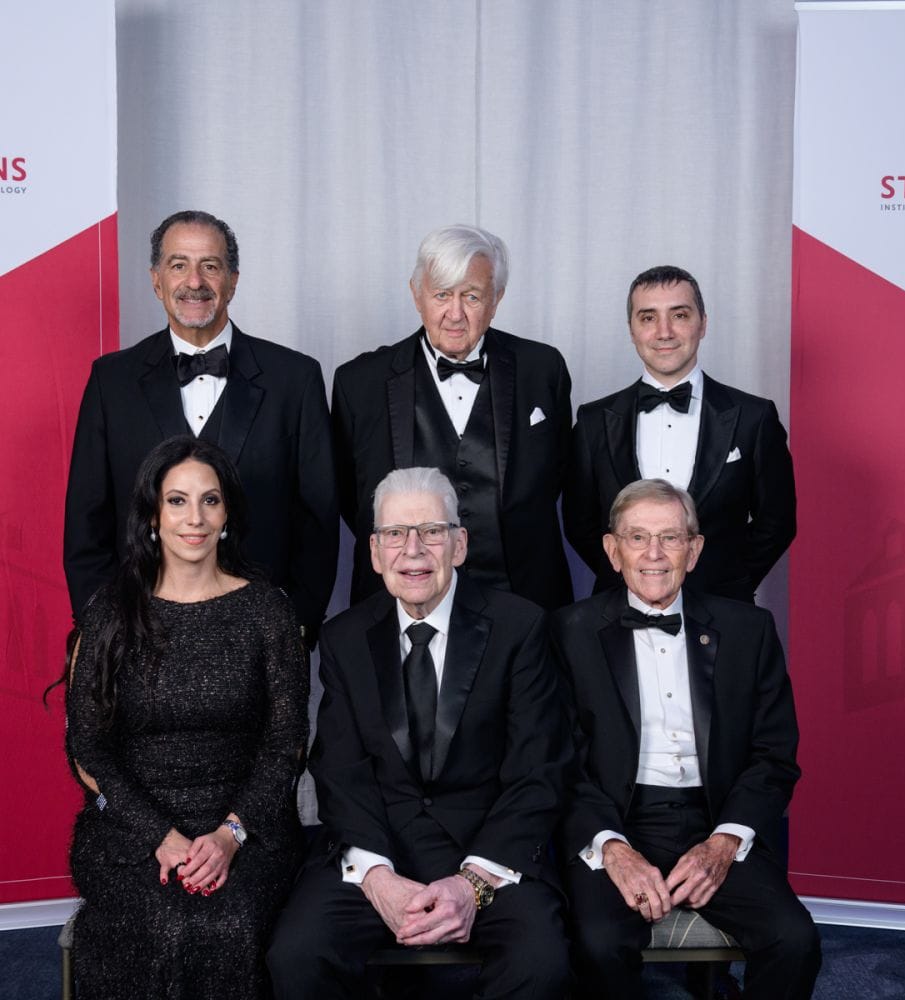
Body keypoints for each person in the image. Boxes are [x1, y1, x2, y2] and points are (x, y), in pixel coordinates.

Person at [267, 467, 571, 1000]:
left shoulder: (520, 626)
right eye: (394, 534)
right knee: (296, 955)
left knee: (542, 962)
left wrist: (471, 883)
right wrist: (378, 878)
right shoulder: (343, 637)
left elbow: (538, 770)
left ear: (459, 544)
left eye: (431, 531)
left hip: (489, 852)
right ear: (375, 553)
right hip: (378, 846)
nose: (413, 550)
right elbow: (339, 769)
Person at [58, 436, 309, 999]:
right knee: (164, 925)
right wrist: (161, 836)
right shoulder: (109, 613)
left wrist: (230, 834)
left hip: (249, 826)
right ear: (152, 514)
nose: (194, 518)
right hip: (130, 827)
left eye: (210, 500)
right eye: (177, 501)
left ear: (227, 514)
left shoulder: (267, 610)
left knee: (228, 924)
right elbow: (88, 752)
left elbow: (287, 745)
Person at [552, 480, 820, 1000]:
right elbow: (558, 760)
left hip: (717, 816)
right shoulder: (567, 631)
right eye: (637, 538)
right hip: (615, 818)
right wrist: (611, 847)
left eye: (670, 538)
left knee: (795, 940)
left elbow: (773, 756)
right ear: (612, 550)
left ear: (693, 551)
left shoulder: (750, 629)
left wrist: (724, 842)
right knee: (599, 944)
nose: (654, 554)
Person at [64, 209, 338, 645]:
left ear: (233, 279)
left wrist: (292, 625)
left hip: (259, 640)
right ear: (157, 280)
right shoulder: (110, 382)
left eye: (210, 266)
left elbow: (318, 520)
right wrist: (105, 628)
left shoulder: (295, 378)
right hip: (139, 636)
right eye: (179, 265)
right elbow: (87, 521)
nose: (194, 281)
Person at [331, 224, 573, 610]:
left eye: (471, 296)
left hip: (524, 601)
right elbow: (350, 496)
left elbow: (560, 477)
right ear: (417, 295)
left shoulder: (542, 369)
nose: (455, 314)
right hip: (400, 604)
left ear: (496, 299)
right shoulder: (359, 382)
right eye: (441, 294)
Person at [564, 265, 796, 602]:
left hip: (724, 611)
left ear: (703, 323)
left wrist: (728, 583)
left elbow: (777, 521)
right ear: (631, 329)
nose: (664, 332)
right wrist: (635, 577)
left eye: (680, 315)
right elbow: (579, 523)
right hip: (618, 611)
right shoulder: (593, 421)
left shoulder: (754, 418)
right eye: (647, 318)